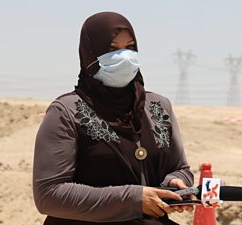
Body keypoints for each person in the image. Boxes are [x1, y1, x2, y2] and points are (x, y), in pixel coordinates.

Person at [33, 11, 194, 225]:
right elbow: (49, 195)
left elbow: (181, 168)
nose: (124, 57)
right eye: (112, 49)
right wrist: (133, 199)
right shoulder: (66, 112)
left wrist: (175, 184)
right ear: (90, 54)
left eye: (130, 47)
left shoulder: (158, 107)